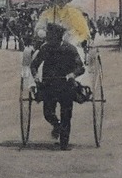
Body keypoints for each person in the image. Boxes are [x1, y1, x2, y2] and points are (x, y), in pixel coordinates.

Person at [29, 22, 85, 150]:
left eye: (50, 35)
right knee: (48, 113)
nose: (48, 38)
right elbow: (34, 65)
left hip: (66, 86)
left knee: (66, 114)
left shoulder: (70, 49)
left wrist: (72, 74)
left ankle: (64, 143)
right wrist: (35, 76)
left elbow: (80, 68)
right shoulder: (45, 48)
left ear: (58, 36)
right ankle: (57, 126)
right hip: (49, 86)